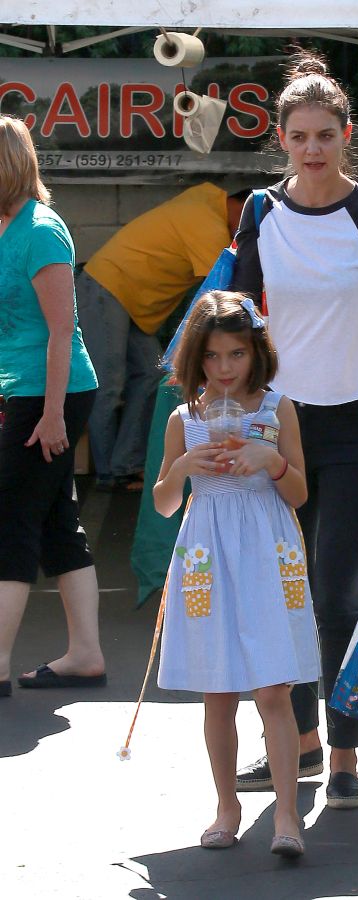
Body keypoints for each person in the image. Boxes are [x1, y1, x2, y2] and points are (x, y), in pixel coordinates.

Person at [232, 52, 358, 809]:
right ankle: (299, 746)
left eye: (326, 135)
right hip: (280, 429)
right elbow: (240, 326)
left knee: (337, 593)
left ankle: (344, 753)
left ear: (350, 136)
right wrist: (228, 421)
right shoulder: (260, 215)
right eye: (300, 135)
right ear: (281, 138)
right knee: (285, 594)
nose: (313, 149)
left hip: (356, 432)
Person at [153, 290, 320, 856]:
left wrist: (270, 461)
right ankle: (227, 804)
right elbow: (162, 503)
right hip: (208, 551)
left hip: (267, 550)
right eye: (213, 357)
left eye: (237, 355)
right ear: (196, 359)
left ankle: (288, 817)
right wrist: (181, 467)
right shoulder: (186, 417)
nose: (225, 370)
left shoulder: (278, 410)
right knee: (217, 689)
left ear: (257, 354)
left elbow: (298, 492)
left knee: (273, 686)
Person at [0, 115, 105, 697]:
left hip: (51, 392)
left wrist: (52, 414)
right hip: (25, 389)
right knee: (56, 521)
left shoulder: (41, 230)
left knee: (11, 520)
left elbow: (62, 330)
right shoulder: (7, 226)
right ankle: (86, 653)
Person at [76, 183, 246, 492]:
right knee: (108, 385)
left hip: (129, 301)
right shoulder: (207, 223)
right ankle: (108, 475)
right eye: (246, 220)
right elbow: (221, 293)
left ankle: (125, 465)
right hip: (107, 286)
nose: (245, 231)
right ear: (238, 205)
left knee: (151, 376)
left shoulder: (208, 201)